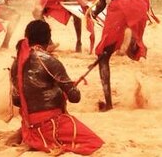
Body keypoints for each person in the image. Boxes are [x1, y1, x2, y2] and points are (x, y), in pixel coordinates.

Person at [10, 20, 104, 155]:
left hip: (29, 125)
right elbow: (75, 97)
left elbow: (16, 100)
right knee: (94, 142)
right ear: (48, 40)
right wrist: (67, 89)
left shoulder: (17, 62)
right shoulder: (50, 61)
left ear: (27, 37)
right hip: (50, 124)